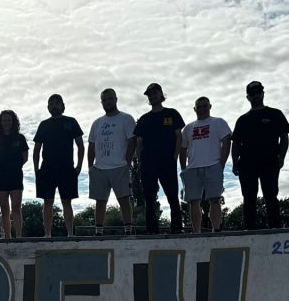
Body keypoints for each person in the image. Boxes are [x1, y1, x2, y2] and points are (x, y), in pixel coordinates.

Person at [231, 80, 289, 229]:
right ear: (248, 97)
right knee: (249, 198)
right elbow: (236, 143)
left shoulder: (275, 114)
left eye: (258, 92)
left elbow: (284, 137)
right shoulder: (243, 119)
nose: (256, 96)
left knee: (271, 196)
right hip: (247, 163)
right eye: (252, 94)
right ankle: (250, 231)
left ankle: (275, 229)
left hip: (270, 161)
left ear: (263, 93)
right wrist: (234, 163)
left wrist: (281, 157)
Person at [133, 83, 184, 235]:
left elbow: (179, 136)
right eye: (150, 94)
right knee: (149, 197)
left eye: (155, 92)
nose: (153, 96)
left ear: (161, 94)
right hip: (148, 162)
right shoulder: (144, 119)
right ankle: (151, 230)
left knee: (172, 196)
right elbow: (139, 142)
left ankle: (176, 228)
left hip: (167, 161)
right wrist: (140, 160)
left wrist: (175, 156)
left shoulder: (172, 113)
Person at [33, 93, 84, 237]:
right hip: (47, 168)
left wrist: (79, 166)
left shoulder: (71, 121)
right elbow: (37, 149)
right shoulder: (44, 124)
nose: (54, 105)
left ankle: (70, 234)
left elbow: (80, 145)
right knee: (47, 201)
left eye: (57, 103)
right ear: (48, 107)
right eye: (51, 103)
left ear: (63, 106)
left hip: (67, 167)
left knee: (66, 201)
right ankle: (47, 234)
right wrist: (36, 169)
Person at [87, 88, 136, 236]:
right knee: (100, 200)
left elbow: (132, 141)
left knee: (124, 199)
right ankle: (99, 230)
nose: (107, 102)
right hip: (100, 167)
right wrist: (90, 166)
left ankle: (128, 228)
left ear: (116, 99)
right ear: (102, 102)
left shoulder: (126, 118)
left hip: (119, 165)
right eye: (104, 99)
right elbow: (91, 145)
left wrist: (127, 162)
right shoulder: (97, 123)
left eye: (110, 98)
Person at [180, 96, 231, 234]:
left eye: (205, 106)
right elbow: (182, 148)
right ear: (195, 109)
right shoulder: (188, 128)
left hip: (213, 165)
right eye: (199, 106)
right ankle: (196, 232)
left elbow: (227, 141)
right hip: (193, 167)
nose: (202, 108)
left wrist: (222, 163)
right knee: (193, 201)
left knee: (215, 199)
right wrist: (184, 167)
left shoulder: (218, 122)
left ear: (210, 106)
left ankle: (216, 229)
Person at [0, 110, 29, 238]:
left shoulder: (20, 138)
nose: (6, 122)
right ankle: (7, 237)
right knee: (4, 209)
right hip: (1, 176)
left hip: (16, 176)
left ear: (13, 122)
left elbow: (25, 157)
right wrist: (4, 168)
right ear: (0, 123)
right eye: (4, 120)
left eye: (8, 120)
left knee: (16, 207)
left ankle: (18, 236)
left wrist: (14, 167)